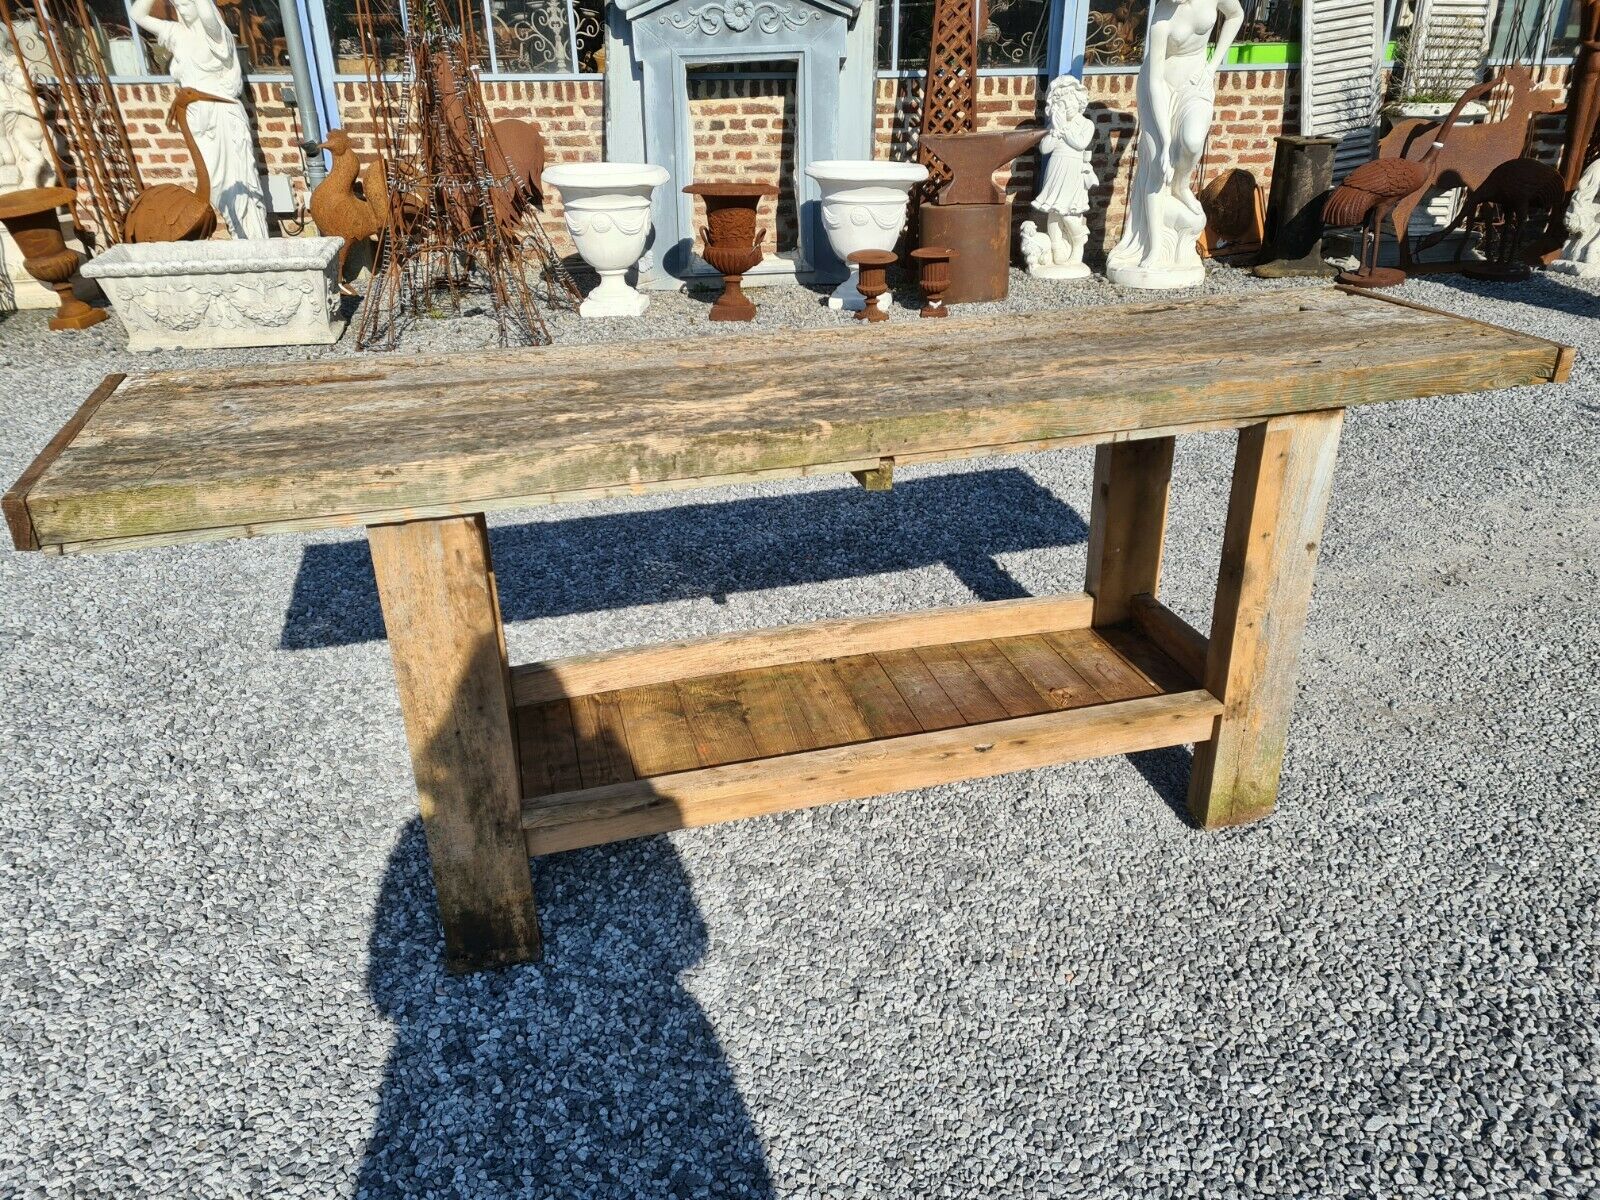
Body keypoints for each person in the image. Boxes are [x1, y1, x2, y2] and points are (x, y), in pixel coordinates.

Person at [1106, 0, 1242, 288]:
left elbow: (1236, 15)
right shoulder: (1162, 20)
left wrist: (1213, 66)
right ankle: (1155, 248)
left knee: (1192, 143)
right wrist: (1164, 138)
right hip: (1160, 88)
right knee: (1157, 163)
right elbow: (1154, 80)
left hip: (1196, 81)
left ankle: (1181, 186)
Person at [129, 0, 269, 239]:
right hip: (196, 118)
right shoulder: (176, 34)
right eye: (177, 4)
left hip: (222, 115)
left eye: (187, 3)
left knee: (240, 181)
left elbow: (207, 16)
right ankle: (239, 238)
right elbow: (137, 14)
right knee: (216, 186)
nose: (182, 8)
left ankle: (255, 240)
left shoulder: (216, 34)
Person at [1030, 74, 1099, 279]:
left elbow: (1080, 143)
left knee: (1069, 213)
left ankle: (1078, 243)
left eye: (1068, 101)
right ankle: (1056, 246)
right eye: (1059, 102)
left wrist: (1064, 128)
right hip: (1056, 168)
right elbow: (1044, 149)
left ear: (1078, 102)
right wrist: (1053, 130)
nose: (1064, 106)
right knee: (1053, 211)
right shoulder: (1055, 126)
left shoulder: (1085, 124)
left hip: (1072, 169)